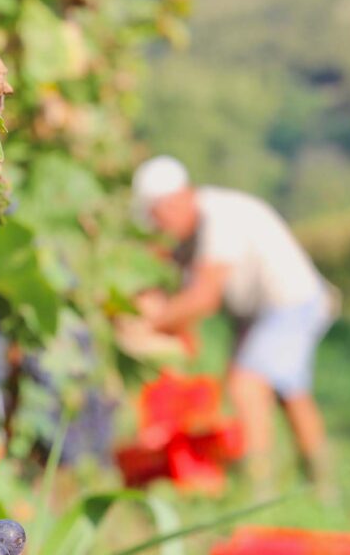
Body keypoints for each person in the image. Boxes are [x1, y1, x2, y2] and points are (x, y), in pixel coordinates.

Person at [129, 155, 335, 496]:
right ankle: (323, 487)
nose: (157, 227)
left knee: (246, 383)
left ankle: (258, 492)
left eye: (156, 216)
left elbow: (203, 297)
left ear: (175, 200)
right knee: (291, 393)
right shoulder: (192, 227)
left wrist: (150, 322)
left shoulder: (219, 218)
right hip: (264, 311)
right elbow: (166, 271)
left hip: (288, 303)